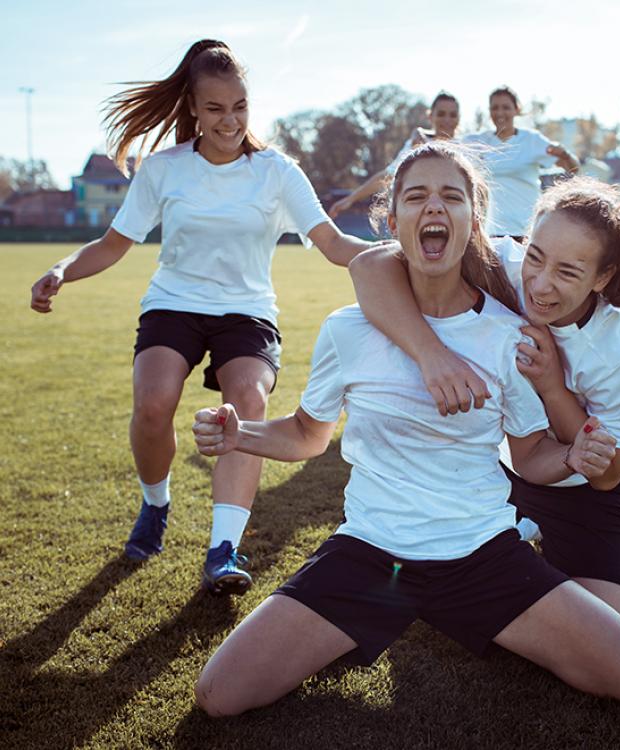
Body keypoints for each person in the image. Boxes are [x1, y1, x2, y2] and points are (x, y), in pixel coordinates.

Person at [190, 142, 620, 716]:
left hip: (484, 556)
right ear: (394, 223)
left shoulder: (515, 336)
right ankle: (419, 599)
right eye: (416, 196)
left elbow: (540, 455)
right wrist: (242, 434)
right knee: (219, 694)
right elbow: (309, 434)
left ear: (474, 220)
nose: (433, 207)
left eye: (451, 196)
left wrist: (572, 456)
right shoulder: (348, 329)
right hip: (369, 554)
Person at [29, 39, 377, 596]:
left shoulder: (277, 172)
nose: (230, 120)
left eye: (239, 106)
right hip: (174, 304)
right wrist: (62, 270)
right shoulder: (165, 170)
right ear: (193, 108)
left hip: (247, 313)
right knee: (154, 404)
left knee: (248, 404)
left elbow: (334, 243)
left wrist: (398, 257)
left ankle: (223, 548)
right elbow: (114, 244)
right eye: (215, 109)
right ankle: (155, 504)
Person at [350, 176, 620, 633]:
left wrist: (551, 386)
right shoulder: (501, 267)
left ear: (602, 277)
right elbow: (370, 266)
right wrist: (433, 356)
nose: (540, 285)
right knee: (456, 601)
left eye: (568, 272)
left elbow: (606, 475)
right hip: (498, 470)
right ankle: (522, 534)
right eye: (536, 257)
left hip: (578, 491)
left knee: (606, 629)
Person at [464, 86, 579, 241]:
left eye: (506, 107)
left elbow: (573, 168)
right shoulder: (477, 141)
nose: (500, 113)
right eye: (495, 108)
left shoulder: (531, 140)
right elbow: (445, 145)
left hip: (525, 229)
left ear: (516, 110)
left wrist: (564, 153)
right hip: (488, 231)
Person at [328, 92, 461, 220]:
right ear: (430, 116)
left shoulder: (467, 146)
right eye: (441, 114)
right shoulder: (415, 143)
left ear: (459, 118)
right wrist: (350, 199)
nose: (447, 119)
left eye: (453, 115)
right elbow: (388, 175)